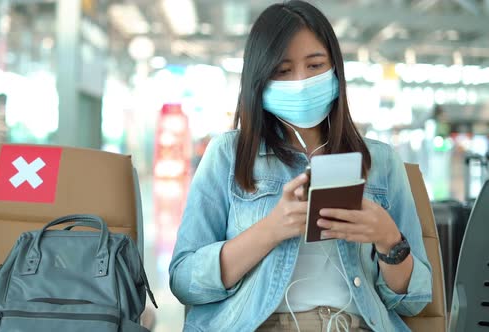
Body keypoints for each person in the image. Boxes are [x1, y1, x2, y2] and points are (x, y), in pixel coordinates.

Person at [168, 1, 432, 331]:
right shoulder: (227, 155)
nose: (302, 81)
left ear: (335, 70)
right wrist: (270, 230)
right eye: (283, 71)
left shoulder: (381, 162)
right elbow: (183, 281)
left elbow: (416, 301)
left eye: (315, 65)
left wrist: (389, 241)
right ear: (260, 80)